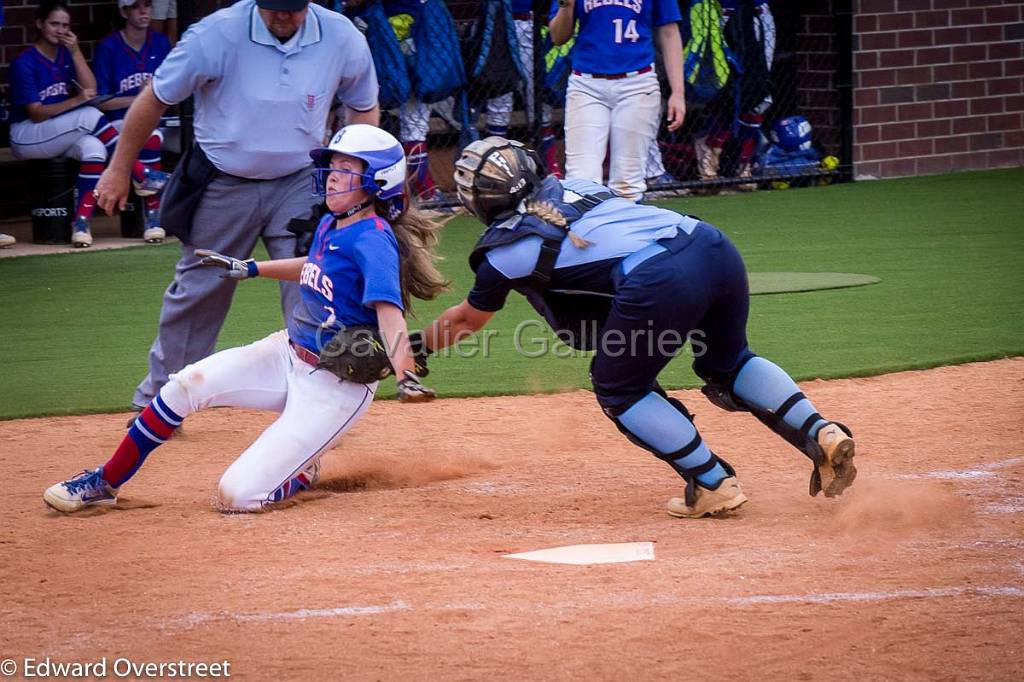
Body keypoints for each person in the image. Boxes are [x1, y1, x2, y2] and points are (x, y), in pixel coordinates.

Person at [416, 137, 856, 517]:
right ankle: (821, 431)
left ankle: (712, 484)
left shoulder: (506, 252)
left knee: (619, 388)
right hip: (712, 245)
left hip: (658, 278)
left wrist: (417, 347)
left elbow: (465, 320)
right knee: (730, 363)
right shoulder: (577, 186)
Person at [43, 126, 446, 514]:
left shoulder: (374, 240)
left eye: (346, 170)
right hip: (288, 354)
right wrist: (253, 268)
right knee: (182, 386)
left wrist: (405, 373)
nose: (332, 178)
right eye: (332, 167)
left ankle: (302, 470)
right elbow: (315, 265)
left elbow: (389, 313)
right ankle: (104, 483)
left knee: (238, 496)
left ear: (378, 181)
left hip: (334, 389)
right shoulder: (331, 222)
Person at [91, 0, 381, 413]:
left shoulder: (341, 36)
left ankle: (317, 404)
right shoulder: (216, 34)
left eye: (292, 8)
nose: (283, 15)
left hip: (302, 179)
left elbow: (363, 107)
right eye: (274, 6)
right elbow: (154, 99)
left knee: (315, 284)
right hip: (223, 180)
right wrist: (118, 169)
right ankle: (159, 402)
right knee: (198, 289)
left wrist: (356, 180)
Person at [8, 0, 169, 248]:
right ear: (40, 24)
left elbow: (90, 90)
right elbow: (37, 113)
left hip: (60, 131)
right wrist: (76, 101)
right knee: (89, 116)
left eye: (65, 25)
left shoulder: (65, 55)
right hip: (27, 134)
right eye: (54, 24)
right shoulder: (25, 61)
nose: (60, 30)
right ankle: (141, 173)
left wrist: (75, 52)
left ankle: (80, 224)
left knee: (94, 148)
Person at [549, 0, 685, 201]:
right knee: (581, 180)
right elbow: (558, 37)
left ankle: (625, 231)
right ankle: (585, 232)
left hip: (637, 82)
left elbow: (669, 32)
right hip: (587, 83)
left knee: (628, 182)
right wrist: (566, 7)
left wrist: (678, 93)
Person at [92, 0, 173, 243]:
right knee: (149, 137)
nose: (144, 11)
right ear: (124, 11)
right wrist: (142, 100)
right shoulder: (109, 47)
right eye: (136, 6)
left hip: (163, 121)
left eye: (147, 6)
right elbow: (102, 102)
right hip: (120, 123)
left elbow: (174, 94)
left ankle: (159, 209)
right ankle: (152, 216)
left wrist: (154, 99)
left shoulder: (160, 43)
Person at [483, 0, 562, 178]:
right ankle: (496, 171)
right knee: (499, 98)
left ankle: (551, 170)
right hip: (497, 24)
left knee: (538, 100)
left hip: (528, 23)